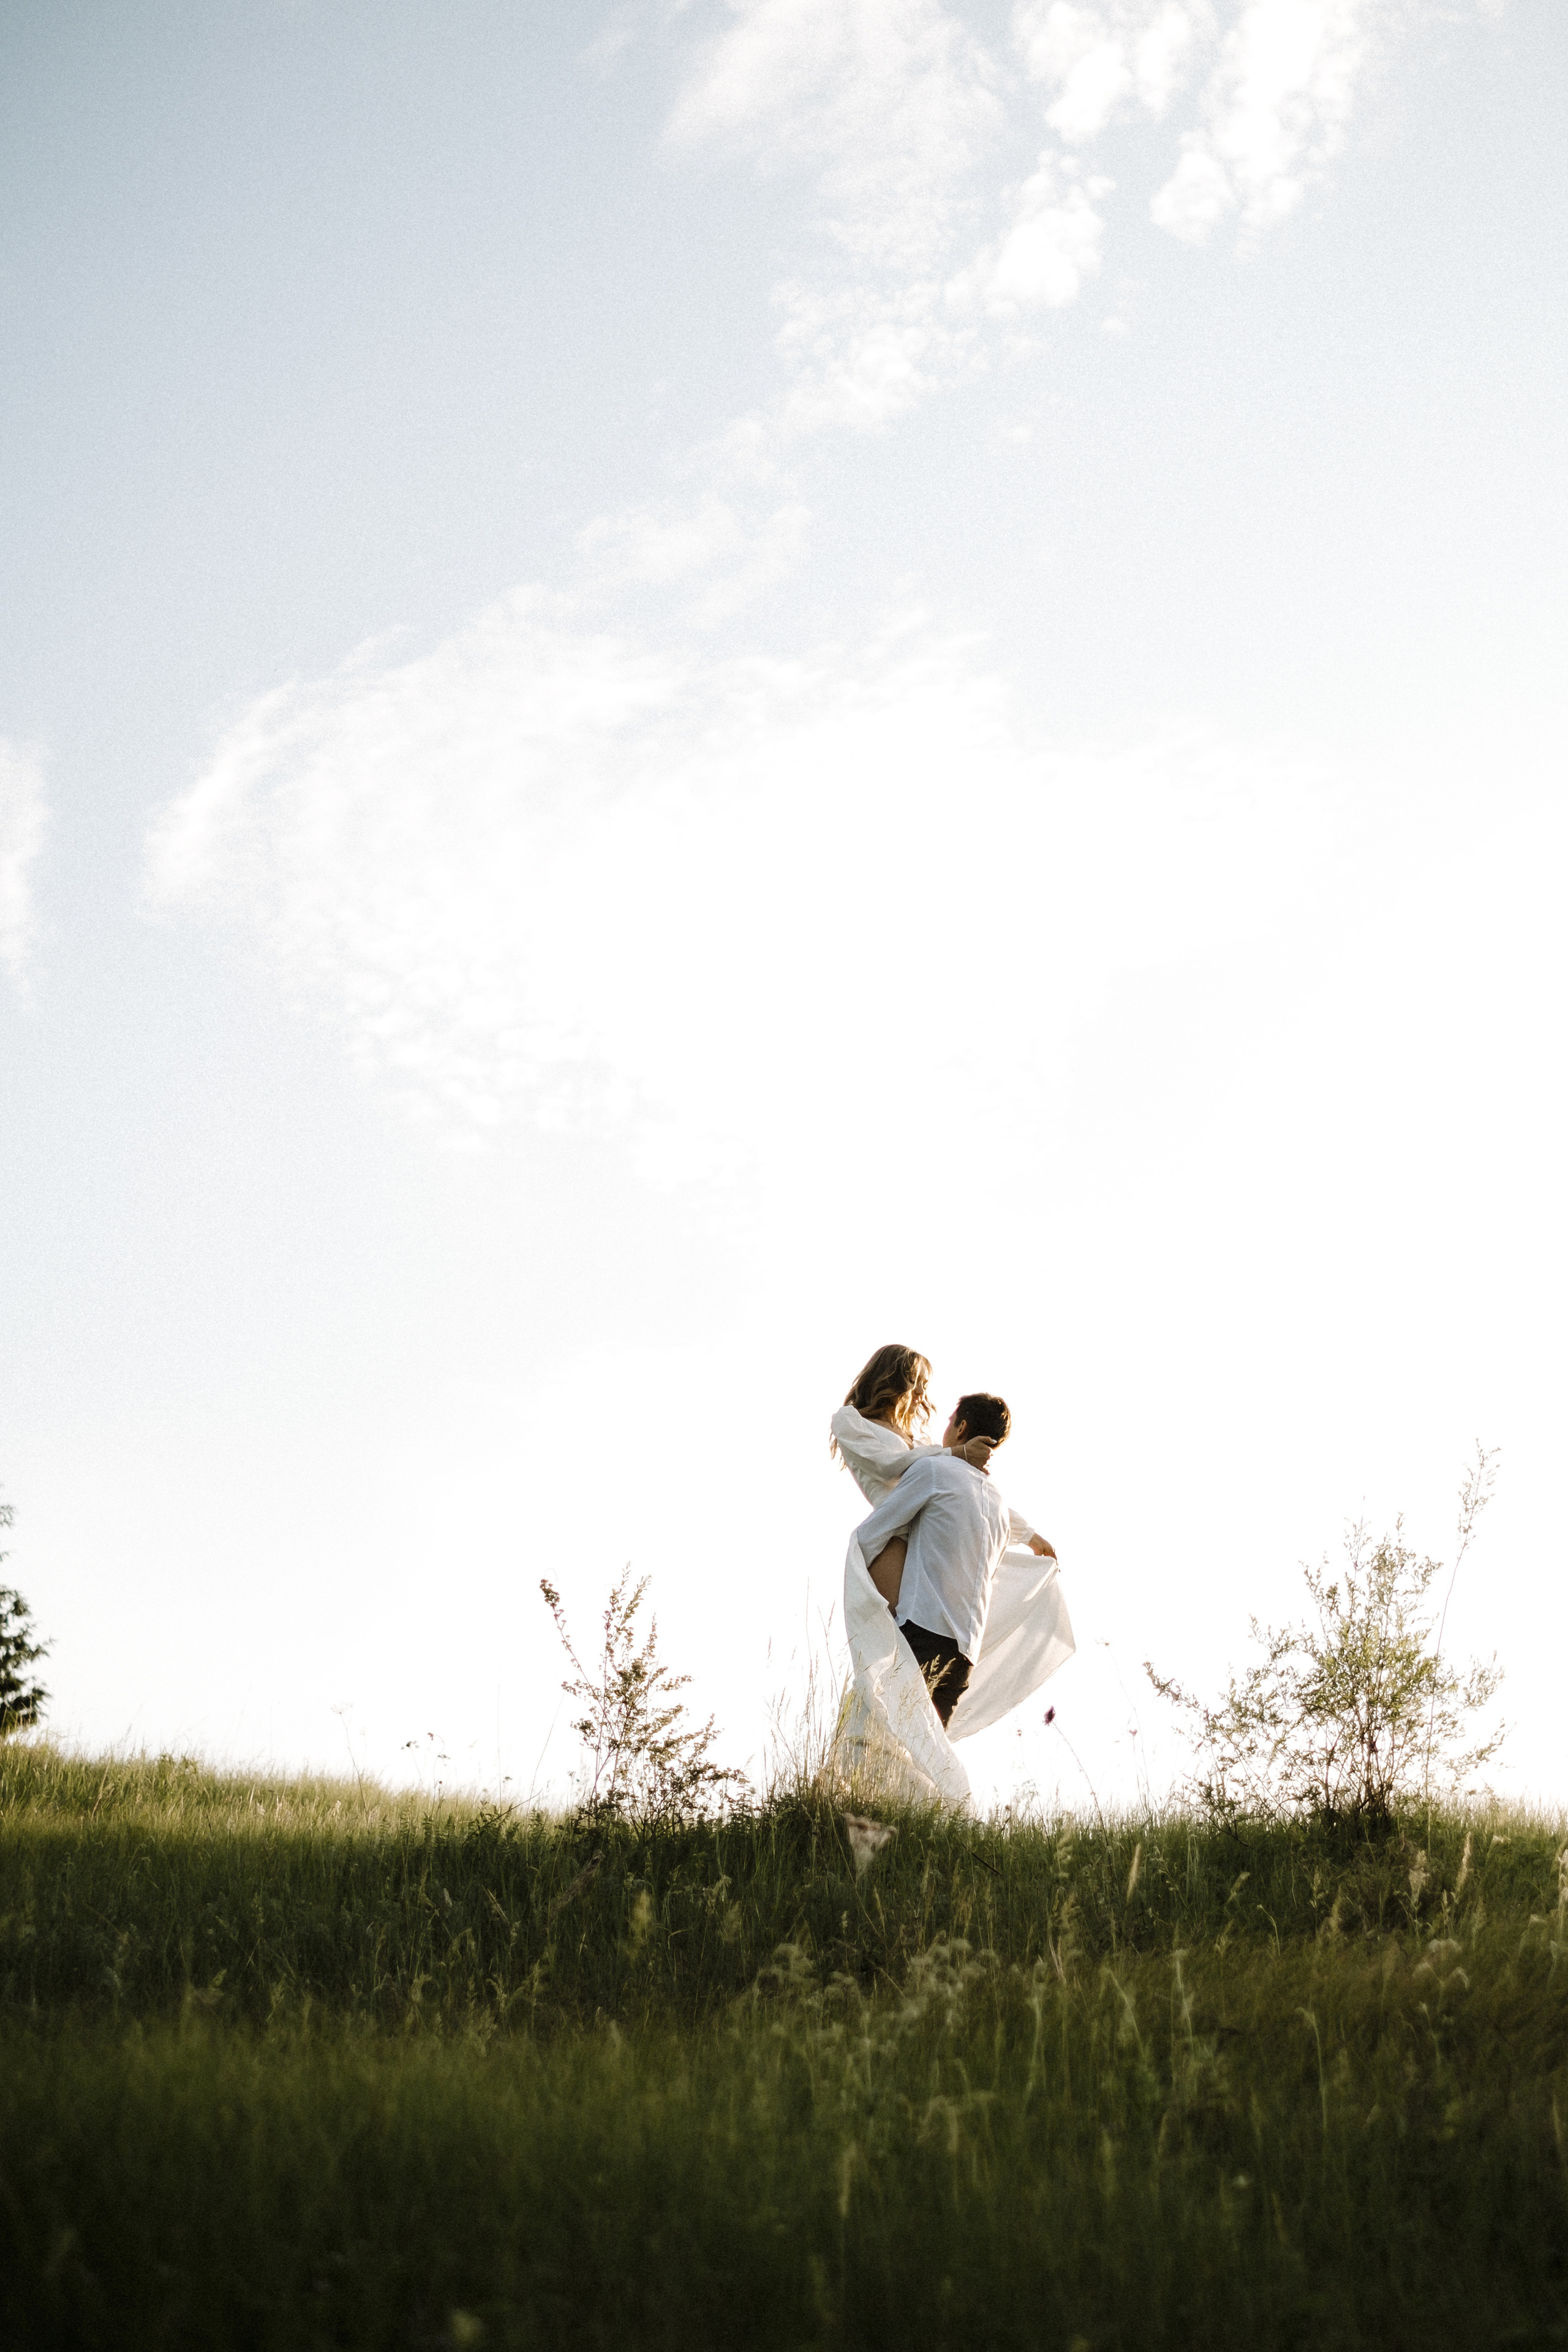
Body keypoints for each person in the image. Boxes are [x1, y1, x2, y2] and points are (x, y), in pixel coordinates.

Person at [851, 1392, 1054, 1726]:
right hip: (964, 1655)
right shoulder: (999, 1504)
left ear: (961, 1428)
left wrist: (866, 1597)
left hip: (922, 1632)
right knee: (922, 1758)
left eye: (949, 1421)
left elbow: (877, 1529)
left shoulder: (933, 1470)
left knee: (879, 1733)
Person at [829, 1344, 998, 1611]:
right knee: (903, 1636)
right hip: (895, 1537)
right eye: (915, 1382)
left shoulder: (921, 1439)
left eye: (925, 1385)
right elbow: (887, 1465)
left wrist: (1029, 1536)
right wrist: (955, 1452)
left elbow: (966, 1494)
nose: (921, 1393)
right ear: (891, 1378)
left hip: (932, 1534)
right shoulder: (850, 1421)